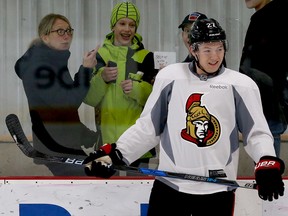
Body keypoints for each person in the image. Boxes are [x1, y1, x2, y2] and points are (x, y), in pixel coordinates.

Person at [84, 18, 285, 215]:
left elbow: (256, 134)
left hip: (217, 191)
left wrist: (267, 161)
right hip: (170, 188)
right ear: (193, 50)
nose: (214, 57)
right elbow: (148, 128)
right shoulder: (170, 77)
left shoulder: (241, 85)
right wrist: (116, 154)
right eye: (207, 50)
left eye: (219, 49)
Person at [14, 13, 101, 176]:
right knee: (93, 181)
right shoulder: (39, 68)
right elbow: (67, 104)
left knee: (97, 177)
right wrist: (86, 70)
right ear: (45, 37)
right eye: (60, 31)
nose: (67, 35)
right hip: (55, 149)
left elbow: (61, 110)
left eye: (69, 30)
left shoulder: (53, 61)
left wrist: (90, 137)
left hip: (64, 144)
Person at [83, 2, 158, 172]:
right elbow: (89, 99)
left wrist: (137, 89)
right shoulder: (100, 55)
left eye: (132, 24)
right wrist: (101, 78)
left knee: (139, 192)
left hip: (140, 144)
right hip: (107, 143)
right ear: (113, 26)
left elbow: (155, 99)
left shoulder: (147, 57)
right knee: (107, 194)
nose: (127, 29)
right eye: (122, 23)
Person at [239, 0, 288, 158]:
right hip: (265, 98)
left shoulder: (272, 16)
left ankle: (269, 180)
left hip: (269, 99)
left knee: (267, 139)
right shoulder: (264, 16)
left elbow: (261, 64)